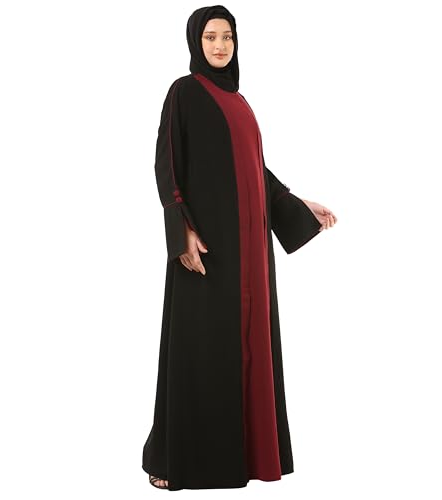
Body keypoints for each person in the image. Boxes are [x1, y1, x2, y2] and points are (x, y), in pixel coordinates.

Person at [142, 5, 337, 491]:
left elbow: (256, 171)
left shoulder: (241, 102)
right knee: (200, 351)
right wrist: (181, 230)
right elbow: (166, 163)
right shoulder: (184, 92)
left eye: (227, 36)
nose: (220, 45)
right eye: (210, 36)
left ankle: (243, 458)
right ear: (196, 41)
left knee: (248, 350)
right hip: (207, 251)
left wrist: (296, 204)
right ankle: (174, 460)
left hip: (250, 256)